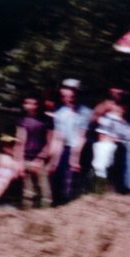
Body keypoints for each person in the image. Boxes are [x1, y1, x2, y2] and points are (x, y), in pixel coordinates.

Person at [48, 78, 92, 206]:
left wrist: (75, 159)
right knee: (56, 176)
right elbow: (58, 138)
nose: (70, 99)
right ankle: (56, 205)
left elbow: (81, 137)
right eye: (67, 96)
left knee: (72, 182)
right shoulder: (60, 113)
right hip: (65, 149)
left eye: (73, 95)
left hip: (81, 150)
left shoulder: (85, 112)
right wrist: (53, 161)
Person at [15, 96, 50, 208]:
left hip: (40, 159)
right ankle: (28, 214)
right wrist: (19, 161)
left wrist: (40, 159)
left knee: (45, 190)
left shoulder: (46, 121)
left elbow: (49, 142)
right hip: (25, 157)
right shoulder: (21, 121)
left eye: (34, 103)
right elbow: (19, 141)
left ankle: (46, 212)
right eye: (28, 103)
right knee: (28, 191)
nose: (31, 106)